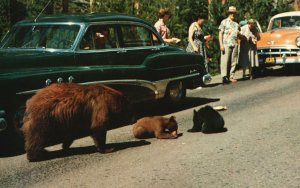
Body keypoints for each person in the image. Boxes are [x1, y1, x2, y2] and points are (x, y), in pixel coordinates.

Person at [218, 6, 240, 84]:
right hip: (226, 44)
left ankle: (231, 76)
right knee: (225, 61)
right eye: (231, 13)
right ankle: (224, 77)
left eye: (234, 13)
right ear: (229, 13)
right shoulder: (224, 22)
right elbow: (220, 33)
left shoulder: (236, 24)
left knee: (233, 61)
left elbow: (239, 35)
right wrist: (221, 45)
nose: (232, 14)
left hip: (234, 43)